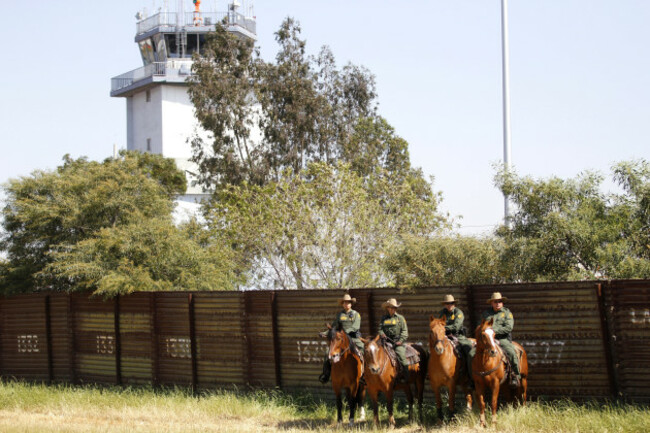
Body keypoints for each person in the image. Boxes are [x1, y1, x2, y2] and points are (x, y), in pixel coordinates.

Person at [319, 293, 363, 384]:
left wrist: (344, 333)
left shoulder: (356, 314)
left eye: (348, 302)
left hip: (353, 337)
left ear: (351, 304)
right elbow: (334, 327)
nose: (346, 304)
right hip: (341, 339)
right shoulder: (340, 315)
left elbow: (355, 327)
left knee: (363, 349)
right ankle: (326, 374)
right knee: (328, 353)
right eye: (345, 302)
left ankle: (365, 375)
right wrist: (325, 333)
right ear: (342, 304)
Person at [480, 292, 520, 387]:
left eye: (500, 301)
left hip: (502, 339)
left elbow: (508, 328)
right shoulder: (486, 314)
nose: (498, 303)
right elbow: (482, 326)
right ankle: (473, 378)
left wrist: (494, 331)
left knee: (511, 353)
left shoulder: (507, 313)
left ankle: (515, 375)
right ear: (491, 303)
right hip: (487, 339)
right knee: (472, 353)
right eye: (495, 301)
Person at [437, 294, 474, 389]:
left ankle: (470, 377)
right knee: (432, 350)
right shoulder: (442, 313)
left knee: (469, 351)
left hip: (458, 336)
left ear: (454, 304)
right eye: (447, 303)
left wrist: (443, 327)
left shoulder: (458, 312)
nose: (449, 305)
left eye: (451, 303)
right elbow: (438, 325)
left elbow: (456, 326)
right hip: (444, 336)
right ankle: (431, 374)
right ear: (445, 304)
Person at [378, 298, 409, 382]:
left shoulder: (400, 318)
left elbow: (405, 331)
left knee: (402, 357)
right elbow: (380, 329)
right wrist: (382, 334)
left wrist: (400, 341)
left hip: (397, 341)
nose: (392, 309)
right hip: (386, 341)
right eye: (391, 307)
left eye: (394, 308)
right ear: (387, 308)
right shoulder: (384, 318)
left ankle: (406, 377)